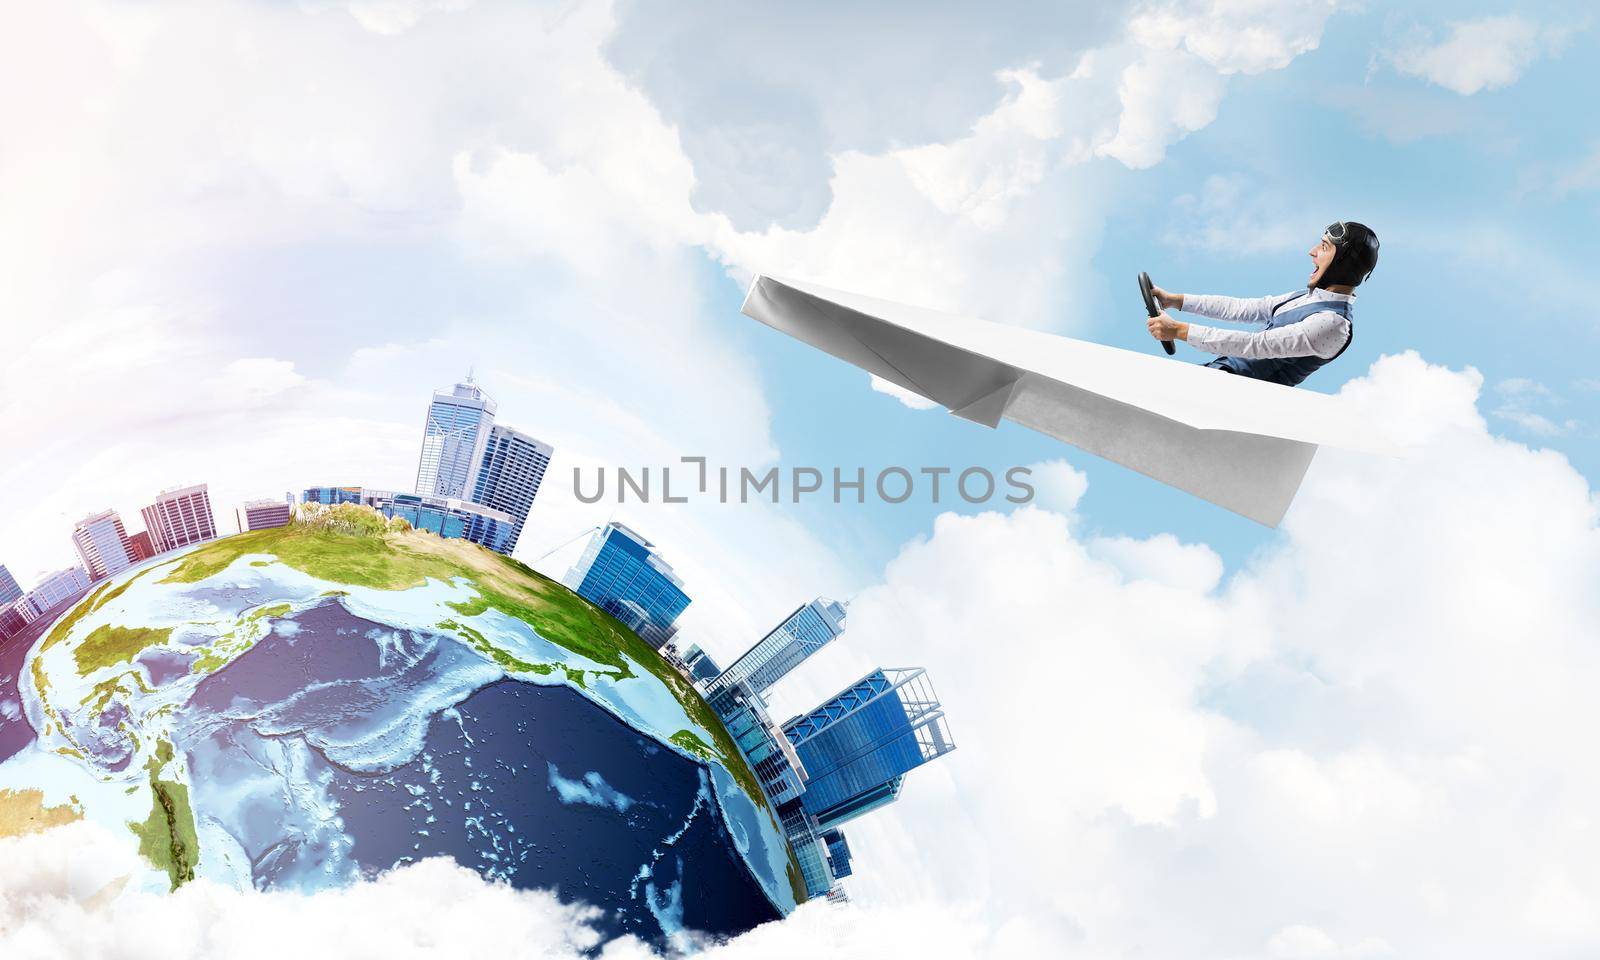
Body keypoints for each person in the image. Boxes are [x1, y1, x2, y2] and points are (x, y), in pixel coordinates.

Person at [1145, 221, 1380, 387]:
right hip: (1223, 377)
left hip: (1240, 397)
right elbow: (1243, 308)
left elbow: (1254, 345)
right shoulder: (1309, 298)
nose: (1312, 252)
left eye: (1324, 247)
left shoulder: (1332, 324)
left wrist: (1178, 330)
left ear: (1342, 264)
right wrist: (1176, 300)